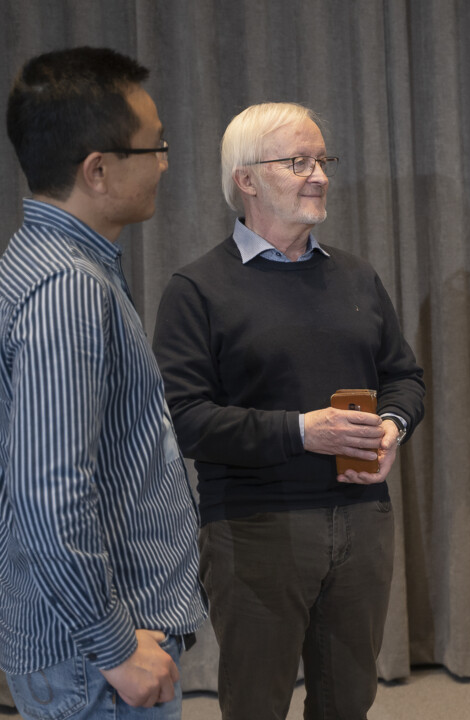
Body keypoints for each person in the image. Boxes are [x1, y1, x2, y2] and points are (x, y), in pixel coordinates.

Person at [151, 102, 425, 720]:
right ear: (245, 179)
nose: (319, 175)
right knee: (256, 705)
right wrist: (303, 432)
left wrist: (392, 427)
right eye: (297, 162)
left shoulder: (357, 278)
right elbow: (186, 419)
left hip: (362, 521)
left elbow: (405, 378)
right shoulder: (196, 290)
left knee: (348, 703)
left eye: (322, 160)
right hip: (255, 528)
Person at [0, 47, 207, 716]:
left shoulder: (58, 263)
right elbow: (50, 495)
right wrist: (114, 646)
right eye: (156, 147)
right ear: (97, 169)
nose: (166, 163)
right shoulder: (66, 290)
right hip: (94, 661)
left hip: (90, 648)